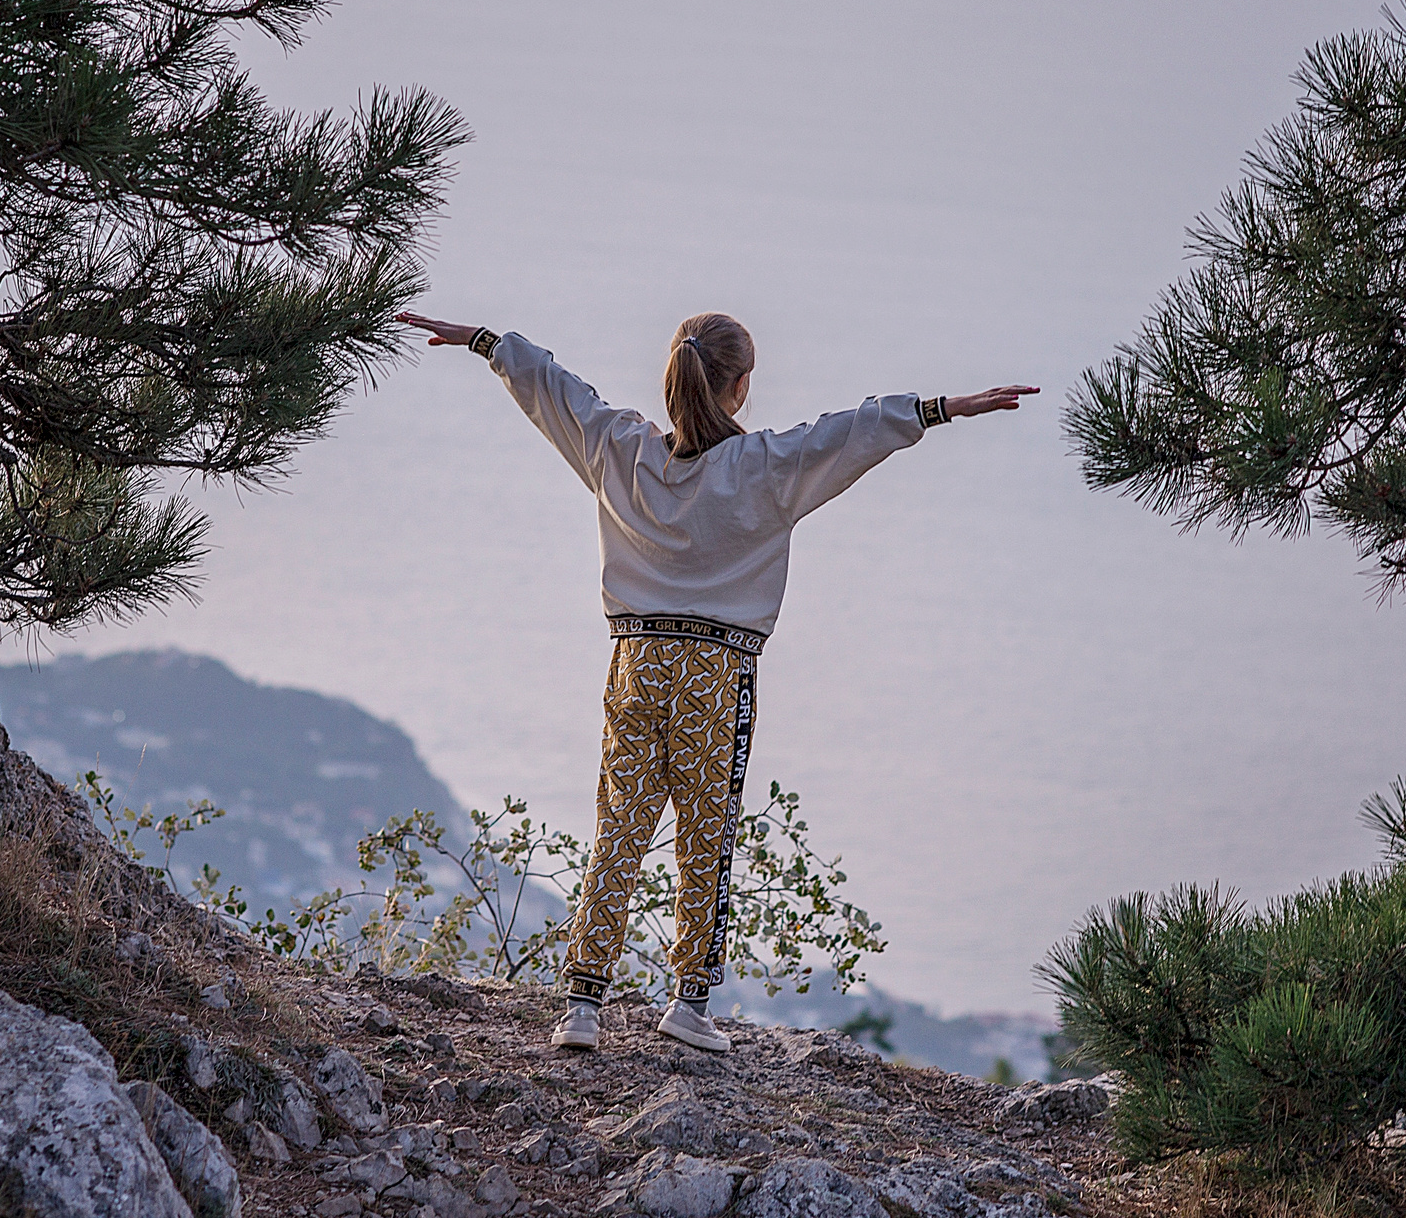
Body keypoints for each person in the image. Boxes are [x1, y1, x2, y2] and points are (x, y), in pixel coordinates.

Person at [397, 307, 1035, 1054]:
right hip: (715, 669)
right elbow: (850, 431)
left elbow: (558, 390)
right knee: (706, 834)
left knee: (619, 830)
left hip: (635, 662)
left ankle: (581, 1006)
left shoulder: (622, 449)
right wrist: (945, 408)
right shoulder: (763, 467)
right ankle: (689, 1002)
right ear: (738, 386)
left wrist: (485, 343)